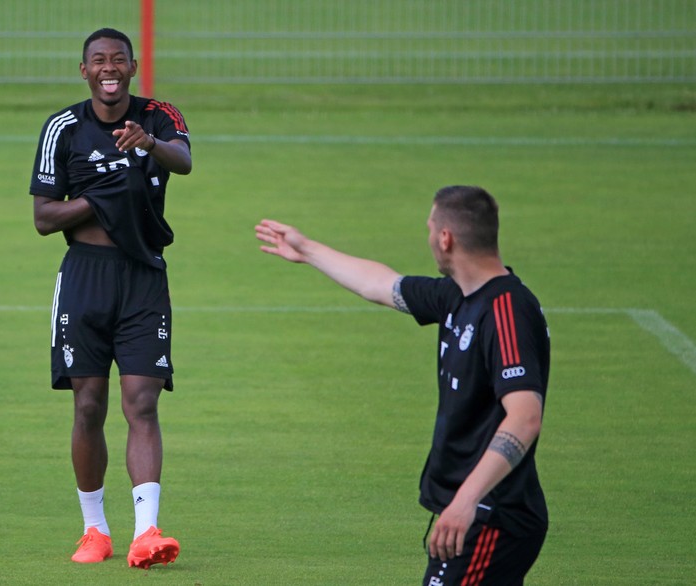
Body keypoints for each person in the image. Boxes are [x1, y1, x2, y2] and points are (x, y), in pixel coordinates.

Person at [255, 186, 550, 585]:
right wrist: (306, 249)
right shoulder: (458, 296)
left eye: (430, 227)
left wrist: (466, 501)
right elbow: (382, 285)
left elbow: (525, 418)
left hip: (491, 516)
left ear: (445, 238)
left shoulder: (506, 310)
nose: (428, 236)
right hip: (472, 513)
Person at [28, 27, 191, 569]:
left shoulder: (158, 115)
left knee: (142, 402)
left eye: (118, 59)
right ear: (84, 70)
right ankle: (94, 530)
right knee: (89, 406)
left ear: (133, 66)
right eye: (98, 60)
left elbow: (183, 161)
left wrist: (149, 145)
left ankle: (147, 533)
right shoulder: (62, 128)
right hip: (85, 280)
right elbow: (44, 218)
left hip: (144, 276)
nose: (109, 68)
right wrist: (101, 199)